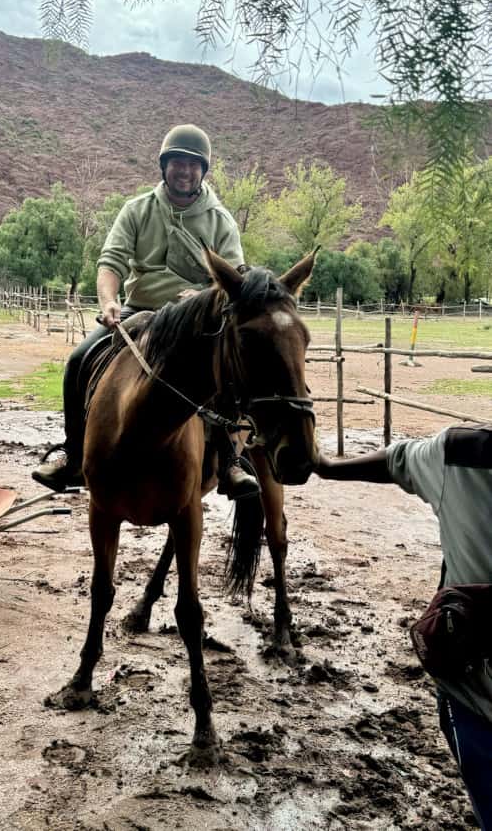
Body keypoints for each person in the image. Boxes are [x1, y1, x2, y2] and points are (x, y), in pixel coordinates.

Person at [32, 123, 259, 499]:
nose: (184, 171)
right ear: (164, 165)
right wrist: (109, 300)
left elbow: (234, 279)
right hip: (138, 311)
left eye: (193, 164)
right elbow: (111, 261)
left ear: (203, 171)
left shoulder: (221, 220)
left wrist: (203, 296)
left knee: (228, 373)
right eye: (177, 163)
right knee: (78, 360)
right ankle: (73, 454)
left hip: (196, 321)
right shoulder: (137, 209)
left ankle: (229, 461)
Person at [314, 423, 492, 829]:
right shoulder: (459, 454)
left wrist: (325, 466)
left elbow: (400, 459)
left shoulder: (462, 454)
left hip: (474, 696)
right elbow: (400, 459)